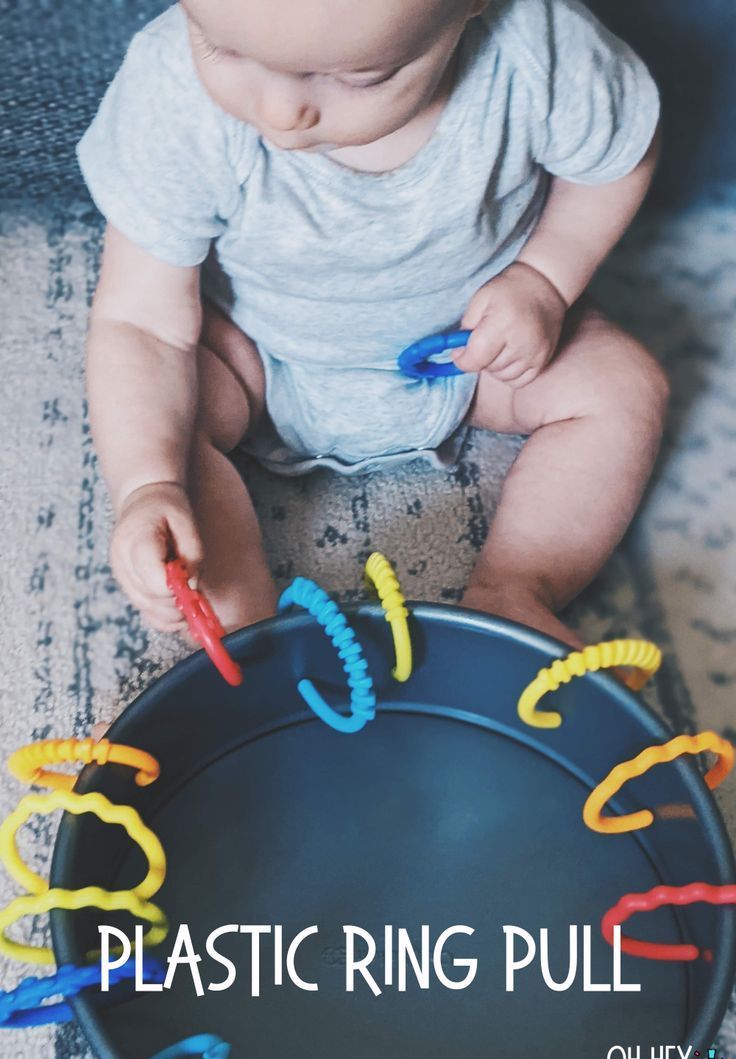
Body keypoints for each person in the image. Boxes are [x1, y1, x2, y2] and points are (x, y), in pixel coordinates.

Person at [78, 0, 668, 649]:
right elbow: (143, 324)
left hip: (469, 354)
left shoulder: (537, 47)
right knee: (164, 426)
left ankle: (515, 593)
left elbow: (620, 154)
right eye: (225, 50)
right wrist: (146, 483)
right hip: (260, 359)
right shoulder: (172, 92)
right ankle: (252, 640)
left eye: (358, 77)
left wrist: (546, 280)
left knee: (622, 385)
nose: (281, 113)